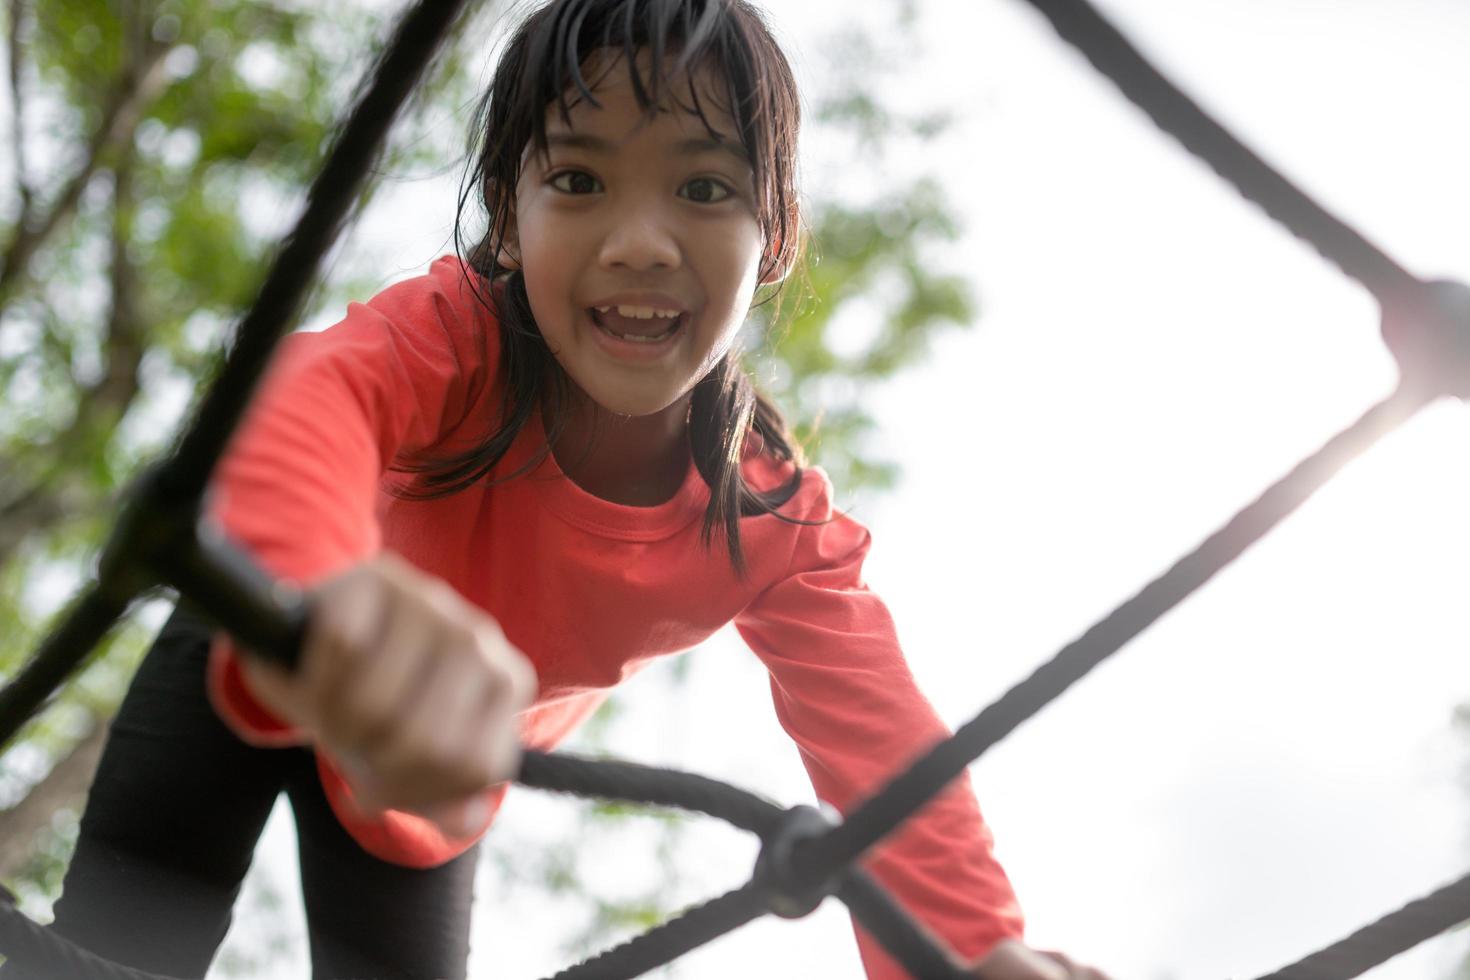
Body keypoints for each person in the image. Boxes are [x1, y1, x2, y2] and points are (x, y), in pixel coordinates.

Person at [35, 1, 1113, 978]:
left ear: (776, 234)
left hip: (426, 783)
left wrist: (972, 952)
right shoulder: (457, 336)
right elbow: (310, 396)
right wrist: (329, 593)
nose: (640, 244)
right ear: (508, 217)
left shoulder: (770, 520)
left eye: (704, 187)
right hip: (266, 642)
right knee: (101, 960)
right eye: (579, 180)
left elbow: (883, 749)